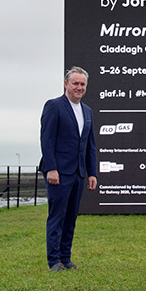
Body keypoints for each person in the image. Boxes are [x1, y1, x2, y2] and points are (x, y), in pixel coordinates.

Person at [40, 66, 98, 272]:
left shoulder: (87, 111)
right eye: (75, 83)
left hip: (78, 173)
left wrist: (92, 172)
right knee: (57, 217)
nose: (79, 87)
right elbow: (47, 140)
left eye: (82, 84)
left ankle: (66, 257)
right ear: (66, 84)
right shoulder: (54, 106)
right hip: (58, 173)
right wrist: (51, 169)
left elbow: (89, 144)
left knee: (71, 217)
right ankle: (54, 260)